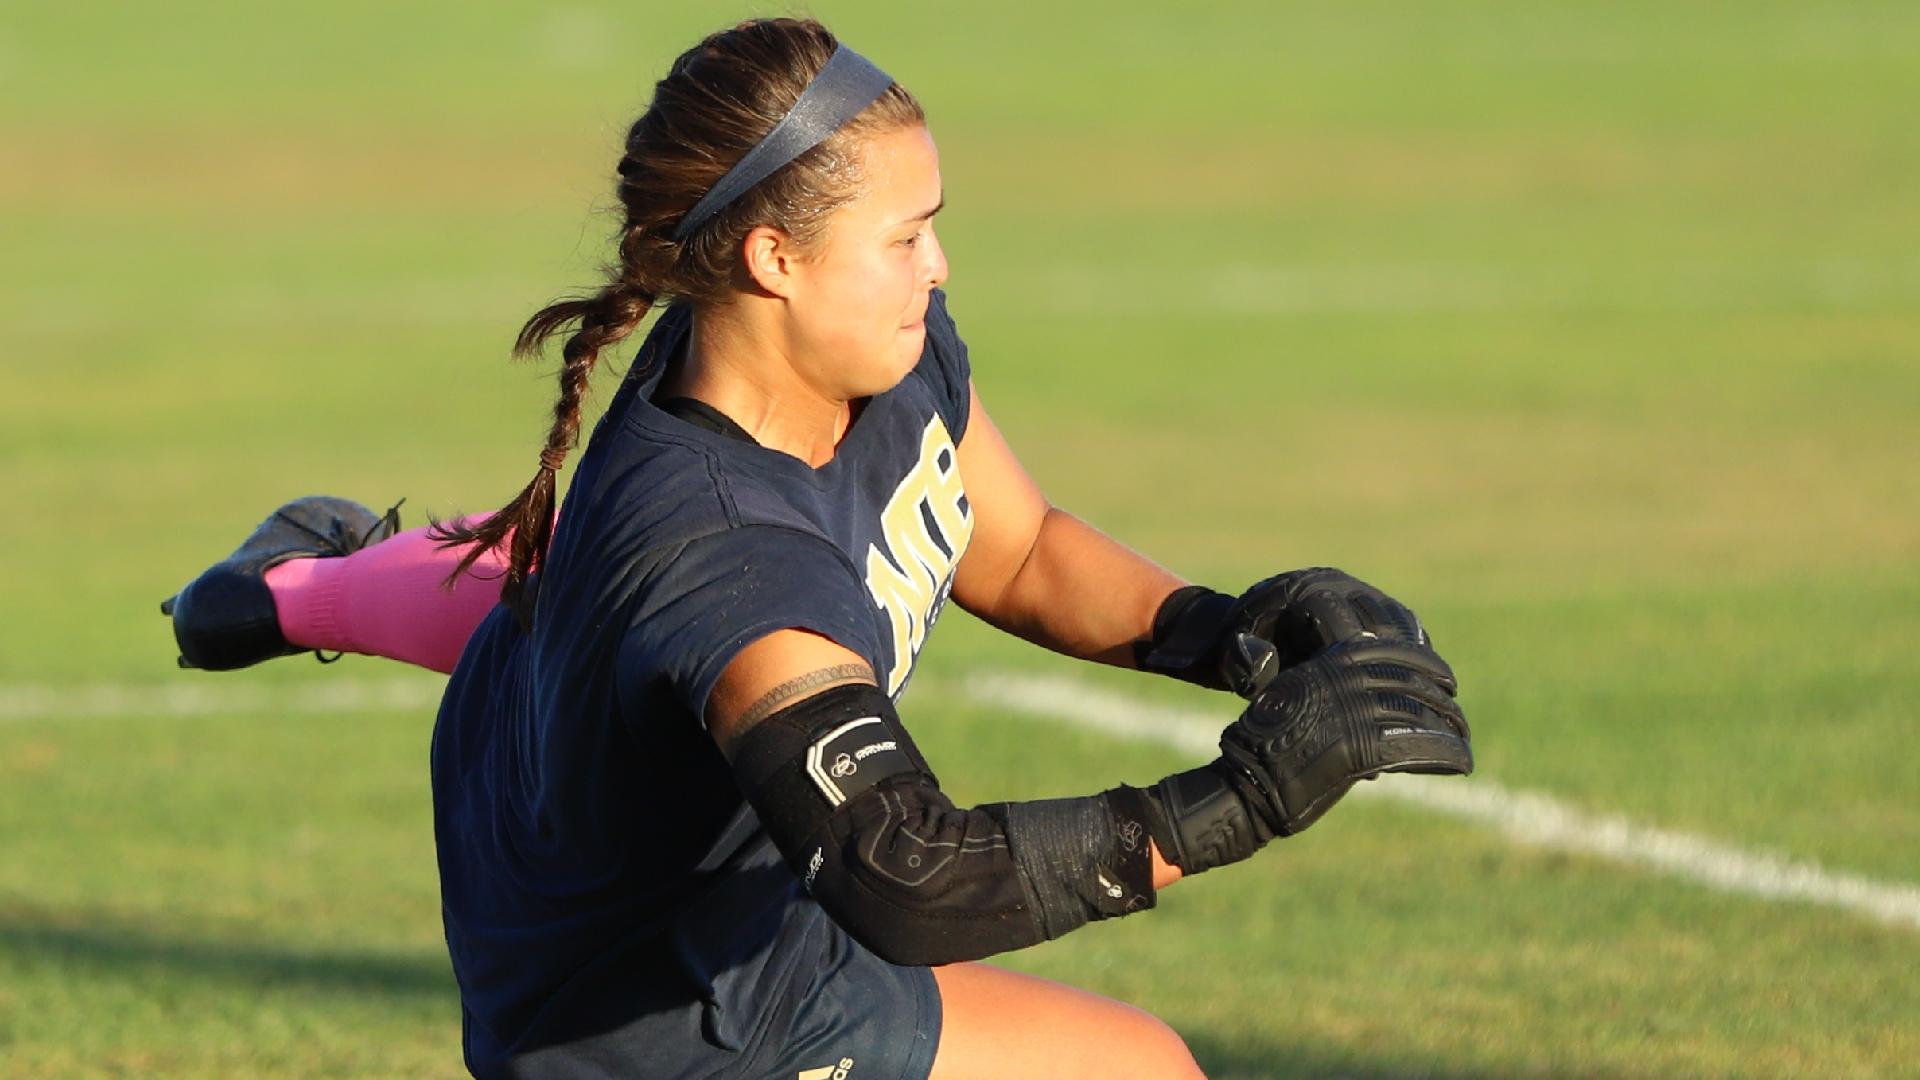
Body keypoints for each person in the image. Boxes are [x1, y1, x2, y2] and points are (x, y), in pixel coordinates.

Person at [163, 19, 1471, 1080]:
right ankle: (297, 587)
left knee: (542, 608)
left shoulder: (867, 356)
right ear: (774, 257)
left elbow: (1017, 547)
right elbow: (910, 878)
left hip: (717, 885)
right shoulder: (723, 560)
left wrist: (1230, 630)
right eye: (903, 238)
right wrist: (1247, 796)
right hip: (659, 1033)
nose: (938, 265)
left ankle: (293, 588)